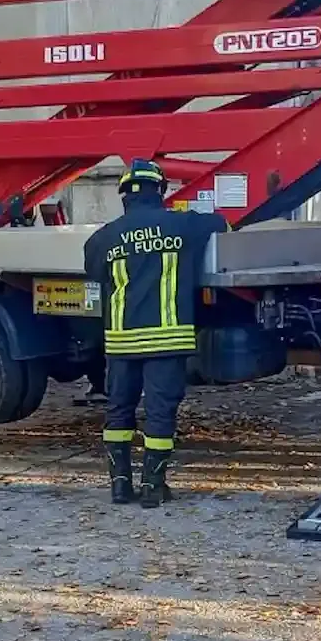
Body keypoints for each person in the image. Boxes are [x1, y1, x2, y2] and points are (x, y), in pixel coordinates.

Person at [84, 159, 228, 508]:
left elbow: (93, 273)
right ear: (159, 191)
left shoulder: (102, 238)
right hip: (166, 340)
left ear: (123, 196)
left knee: (119, 412)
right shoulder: (183, 226)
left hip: (121, 343)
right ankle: (153, 487)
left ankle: (120, 487)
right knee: (160, 413)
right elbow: (223, 222)